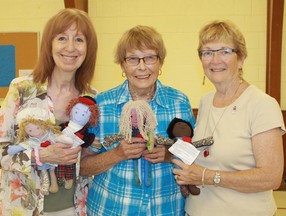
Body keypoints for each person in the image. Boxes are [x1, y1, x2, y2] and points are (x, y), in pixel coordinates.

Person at [172, 20, 286, 216]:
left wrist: (208, 177)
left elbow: (271, 178)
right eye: (207, 52)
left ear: (240, 58)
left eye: (224, 51)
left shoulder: (262, 105)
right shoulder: (206, 101)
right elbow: (207, 154)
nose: (215, 60)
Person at [80, 25, 195, 215]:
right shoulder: (102, 105)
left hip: (166, 209)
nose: (142, 67)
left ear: (160, 63)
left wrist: (169, 155)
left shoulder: (179, 102)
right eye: (133, 59)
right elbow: (82, 167)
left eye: (150, 58)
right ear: (122, 65)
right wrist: (117, 154)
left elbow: (194, 154)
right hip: (112, 209)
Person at [0, 8, 98, 216]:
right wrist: (41, 155)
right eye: (62, 38)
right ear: (49, 44)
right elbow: (1, 151)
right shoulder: (22, 89)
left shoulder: (91, 98)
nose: (70, 47)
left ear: (88, 48)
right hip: (24, 208)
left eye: (79, 40)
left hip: (75, 208)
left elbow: (92, 152)